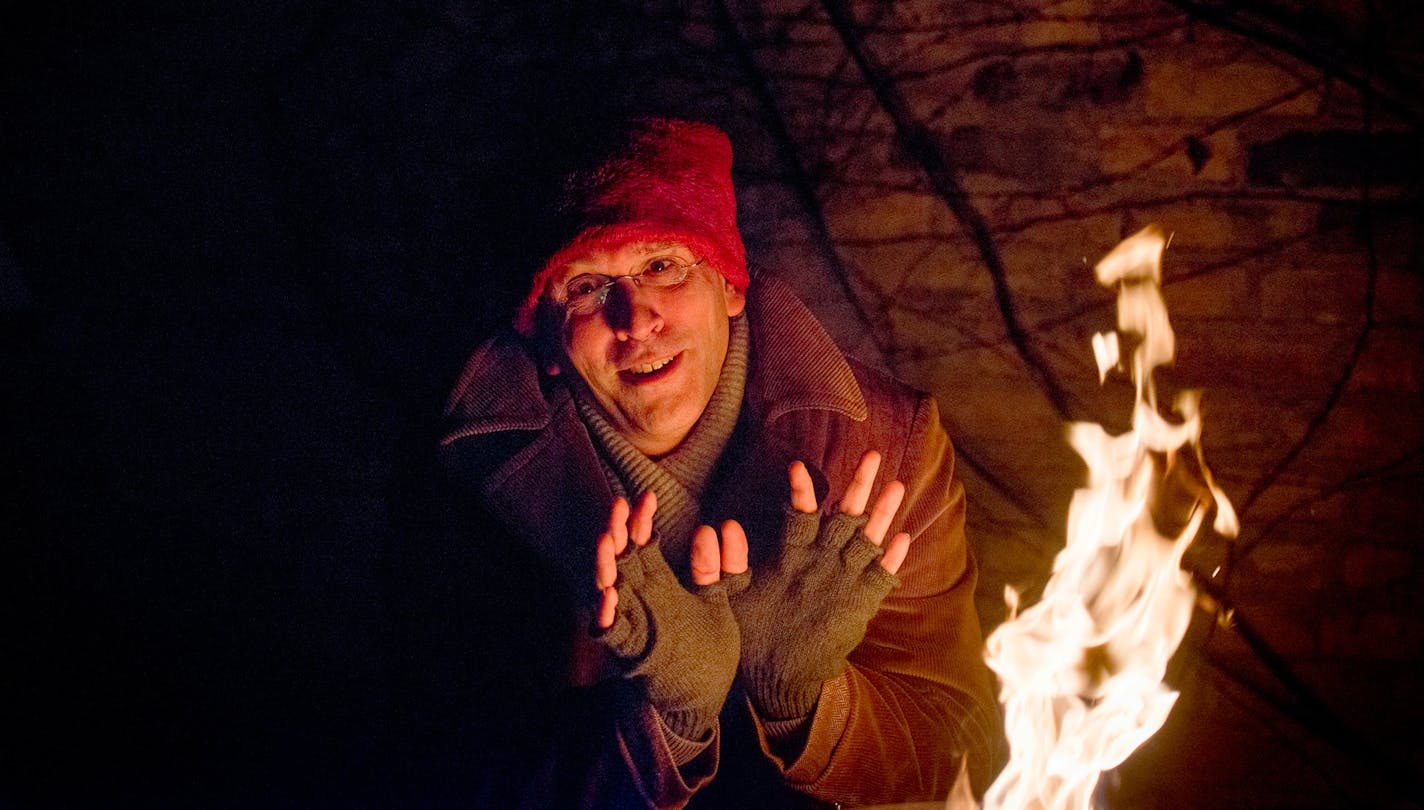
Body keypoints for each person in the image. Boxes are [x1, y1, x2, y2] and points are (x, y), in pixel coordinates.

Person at [395, 117, 1000, 808]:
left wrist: (805, 702)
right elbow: (445, 773)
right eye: (588, 285)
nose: (636, 316)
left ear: (730, 284)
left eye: (661, 265)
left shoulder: (886, 443)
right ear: (548, 340)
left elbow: (958, 742)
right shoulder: (467, 480)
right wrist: (666, 727)